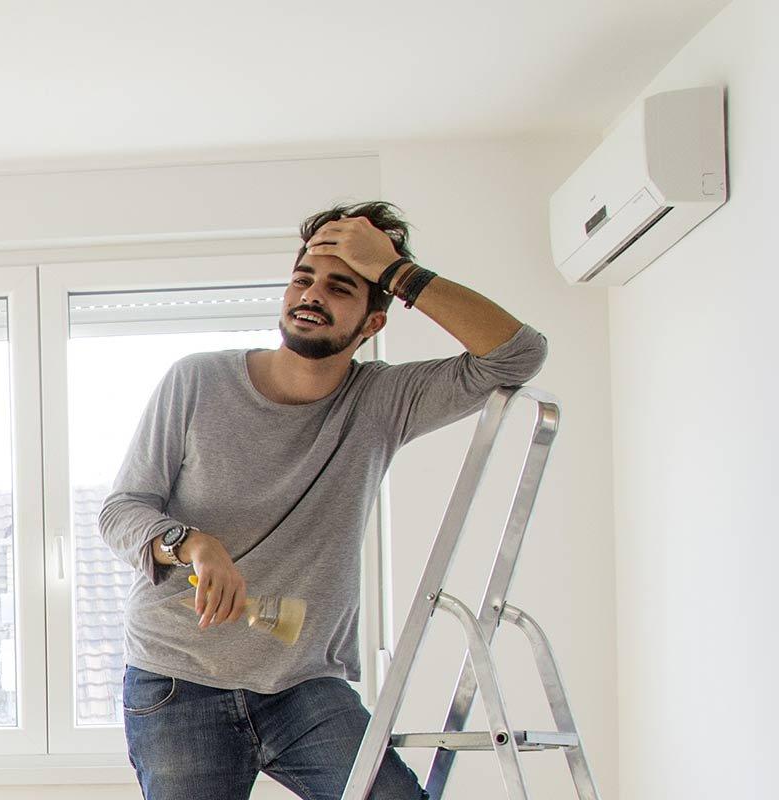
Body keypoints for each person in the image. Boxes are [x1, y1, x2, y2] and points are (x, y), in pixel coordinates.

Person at [98, 201, 546, 799]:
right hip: (179, 678)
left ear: (371, 324)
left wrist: (397, 273)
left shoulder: (384, 400)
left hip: (306, 685)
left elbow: (519, 354)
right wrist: (192, 544)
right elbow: (121, 510)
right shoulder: (197, 381)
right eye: (303, 277)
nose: (312, 295)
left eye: (341, 286)